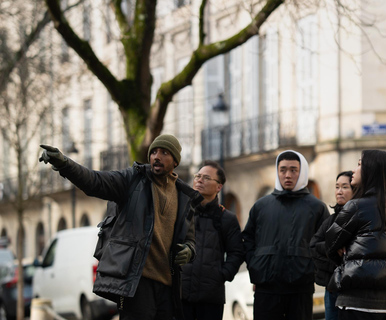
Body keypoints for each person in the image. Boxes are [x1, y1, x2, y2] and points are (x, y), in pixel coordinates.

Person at [38, 134, 203, 320]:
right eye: (154, 152)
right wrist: (64, 164)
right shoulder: (132, 180)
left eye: (164, 152)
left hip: (168, 287)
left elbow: (190, 239)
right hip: (137, 284)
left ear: (175, 161)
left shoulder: (184, 197)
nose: (157, 156)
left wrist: (189, 250)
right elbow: (95, 181)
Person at [325, 150, 386, 320]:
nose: (354, 170)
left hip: (357, 302)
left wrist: (346, 254)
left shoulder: (356, 206)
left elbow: (330, 243)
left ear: (370, 171)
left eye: (359, 165)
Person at [242, 150, 330, 320]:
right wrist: (256, 268)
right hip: (266, 287)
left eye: (293, 170)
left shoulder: (317, 207)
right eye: (282, 170)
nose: (287, 175)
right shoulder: (261, 206)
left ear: (301, 171)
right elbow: (247, 240)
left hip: (300, 289)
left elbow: (325, 245)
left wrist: (312, 270)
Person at [181, 160, 245, 320]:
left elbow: (237, 253)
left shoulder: (227, 218)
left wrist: (221, 275)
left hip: (210, 299)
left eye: (206, 178)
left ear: (219, 187)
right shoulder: (181, 212)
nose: (199, 180)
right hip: (179, 296)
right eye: (198, 176)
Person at [310, 171, 353, 320]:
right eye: (337, 187)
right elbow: (314, 246)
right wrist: (333, 251)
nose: (339, 191)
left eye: (345, 187)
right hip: (333, 288)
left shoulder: (359, 216)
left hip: (355, 290)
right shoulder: (331, 220)